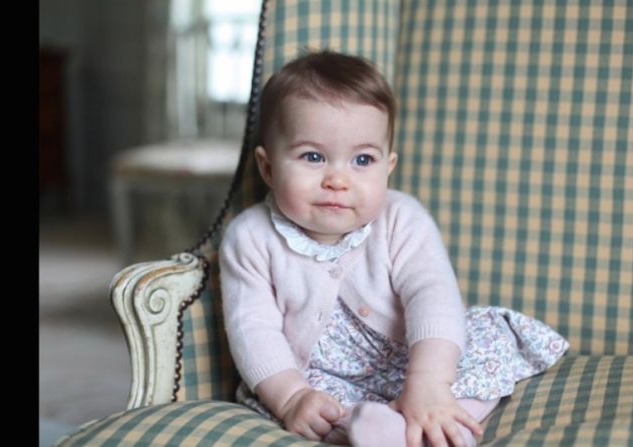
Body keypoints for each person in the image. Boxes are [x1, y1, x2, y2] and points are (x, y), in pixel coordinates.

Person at [219, 50, 569, 447]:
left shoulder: (402, 218)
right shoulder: (249, 238)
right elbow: (253, 330)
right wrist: (291, 396)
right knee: (308, 406)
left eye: (363, 159)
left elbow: (431, 294)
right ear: (268, 168)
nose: (338, 179)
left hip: (414, 356)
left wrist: (428, 382)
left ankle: (445, 418)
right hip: (321, 373)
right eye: (313, 157)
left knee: (481, 340)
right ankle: (373, 428)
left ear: (388, 166)